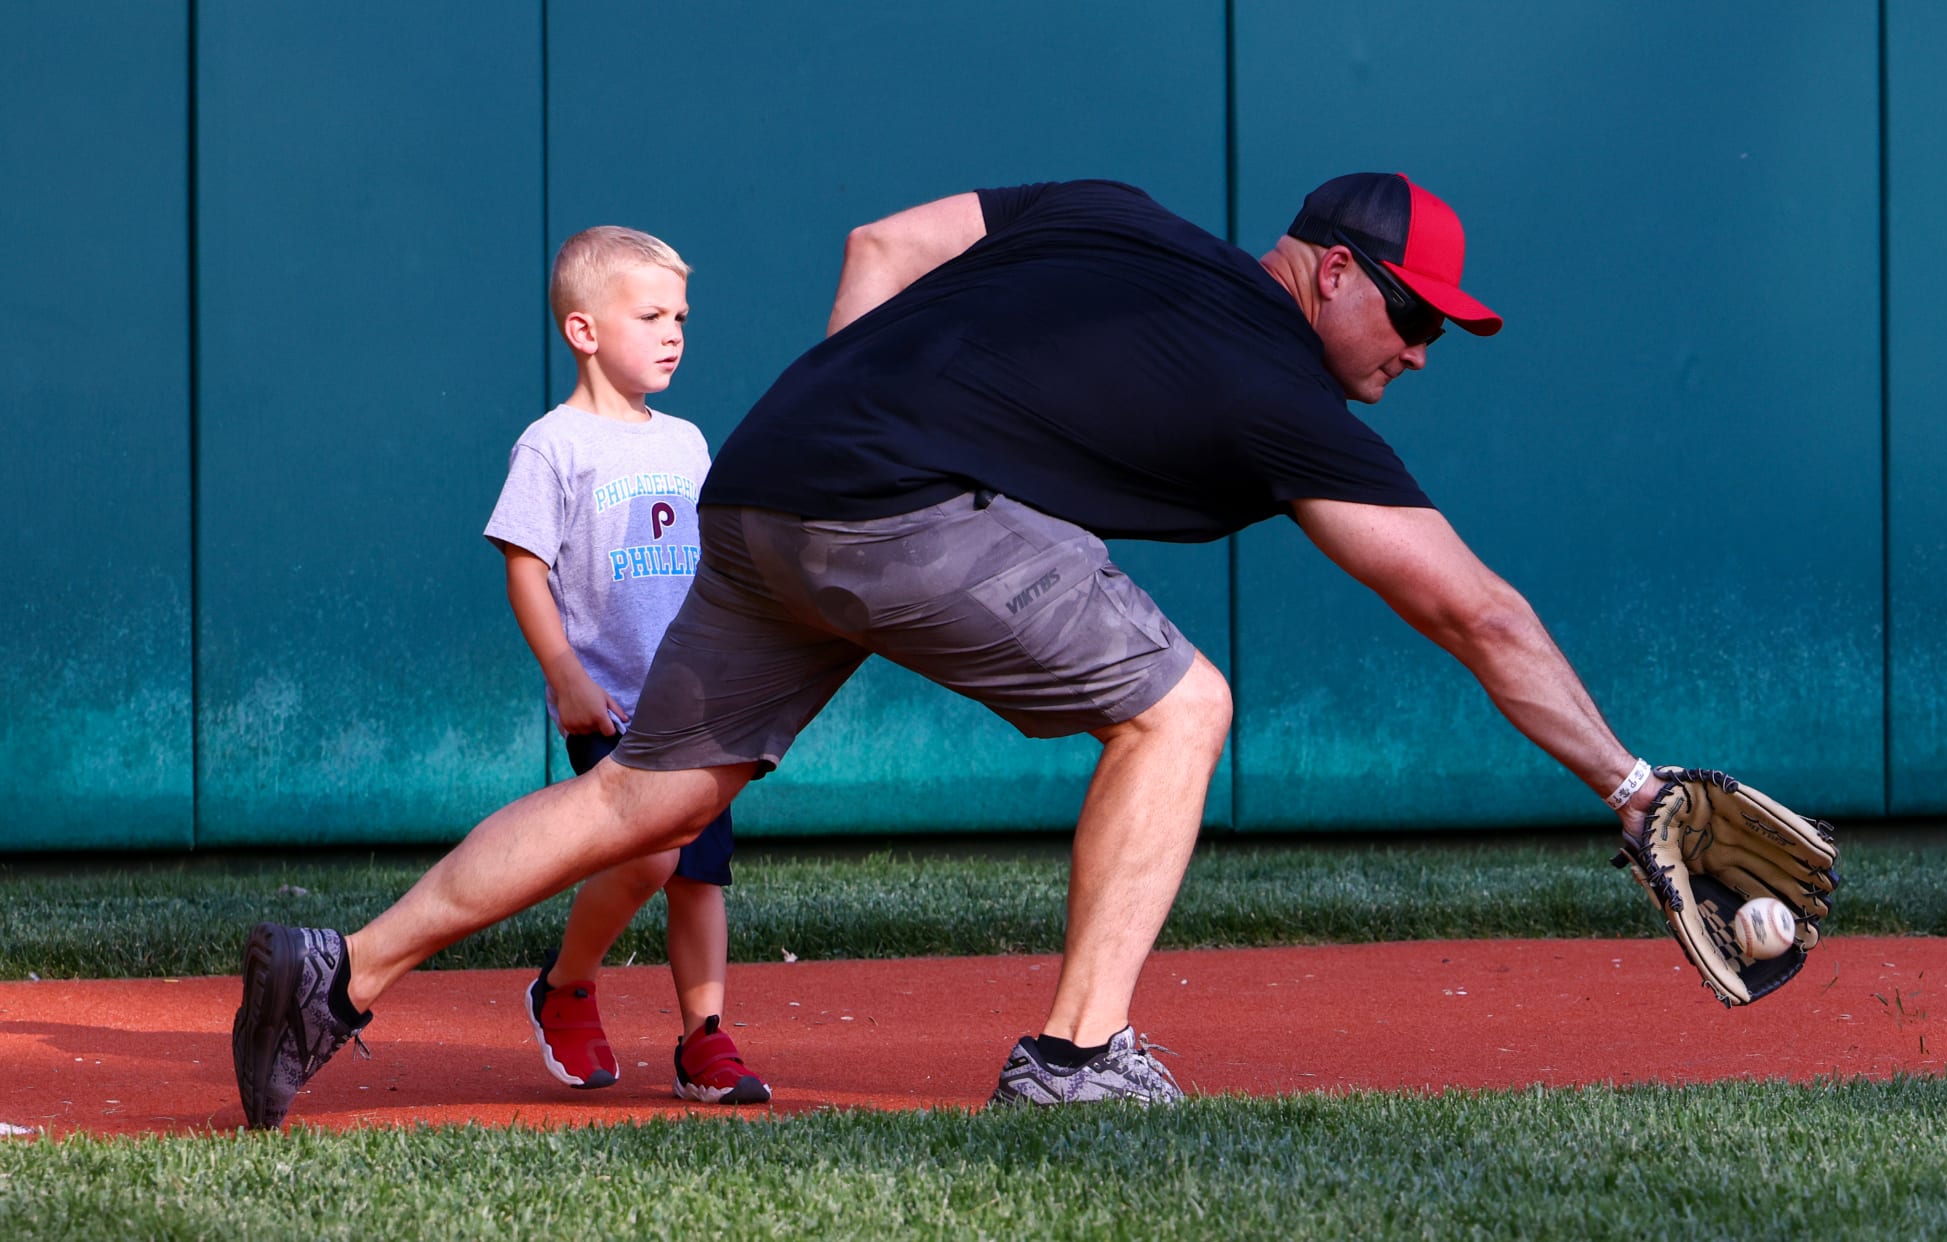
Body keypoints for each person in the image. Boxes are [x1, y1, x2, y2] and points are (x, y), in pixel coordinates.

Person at [232, 172, 1663, 1127]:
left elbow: (882, 247)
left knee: (646, 796)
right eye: (1410, 313)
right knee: (1184, 706)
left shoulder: (1118, 213)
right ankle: (1077, 1055)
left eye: (1441, 332)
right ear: (1333, 272)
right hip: (883, 502)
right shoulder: (1278, 385)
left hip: (770, 473)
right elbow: (1474, 608)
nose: (1418, 349)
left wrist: (854, 405)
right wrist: (1631, 785)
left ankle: (337, 970)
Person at [484, 226, 767, 1105]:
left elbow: (717, 556)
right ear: (584, 331)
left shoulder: (687, 440)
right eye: (650, 315)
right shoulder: (553, 445)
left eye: (680, 315)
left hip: (703, 699)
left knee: (699, 877)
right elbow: (525, 566)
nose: (674, 331)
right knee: (649, 857)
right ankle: (566, 984)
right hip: (611, 702)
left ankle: (704, 1041)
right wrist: (565, 672)